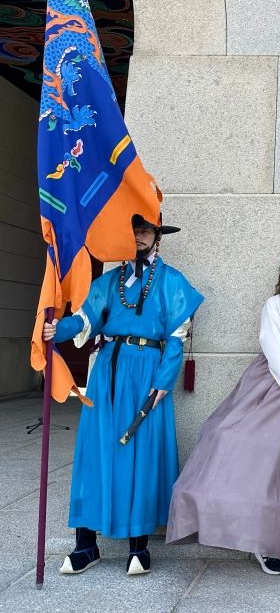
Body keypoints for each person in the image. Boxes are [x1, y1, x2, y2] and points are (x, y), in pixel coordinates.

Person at [42, 214, 203, 576]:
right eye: (132, 231)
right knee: (95, 451)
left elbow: (176, 337)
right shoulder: (108, 281)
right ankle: (86, 544)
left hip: (148, 373)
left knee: (141, 455)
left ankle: (138, 547)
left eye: (145, 230)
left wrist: (164, 381)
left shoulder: (172, 281)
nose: (139, 237)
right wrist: (56, 328)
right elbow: (83, 320)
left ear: (157, 236)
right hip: (108, 373)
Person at [166, 249, 280, 576]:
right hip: (278, 386)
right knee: (262, 459)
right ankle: (264, 543)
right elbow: (271, 343)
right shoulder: (276, 305)